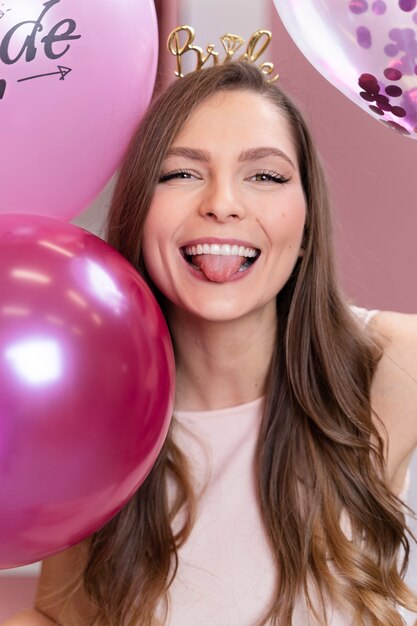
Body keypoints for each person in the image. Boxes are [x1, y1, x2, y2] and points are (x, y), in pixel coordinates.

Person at [3, 59, 417, 626]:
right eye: (180, 174)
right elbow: (54, 616)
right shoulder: (92, 412)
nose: (222, 203)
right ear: (138, 215)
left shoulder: (391, 363)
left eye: (265, 176)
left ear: (306, 228)